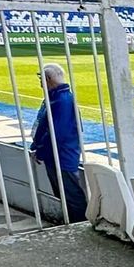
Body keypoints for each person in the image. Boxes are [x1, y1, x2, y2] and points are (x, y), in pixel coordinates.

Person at [29, 62, 87, 223]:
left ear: (48, 79)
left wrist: (40, 151)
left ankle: (79, 225)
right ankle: (74, 223)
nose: (40, 84)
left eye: (41, 80)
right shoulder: (56, 98)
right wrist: (37, 146)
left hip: (62, 156)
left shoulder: (61, 101)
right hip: (56, 155)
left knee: (71, 195)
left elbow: (58, 133)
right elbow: (45, 127)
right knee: (64, 194)